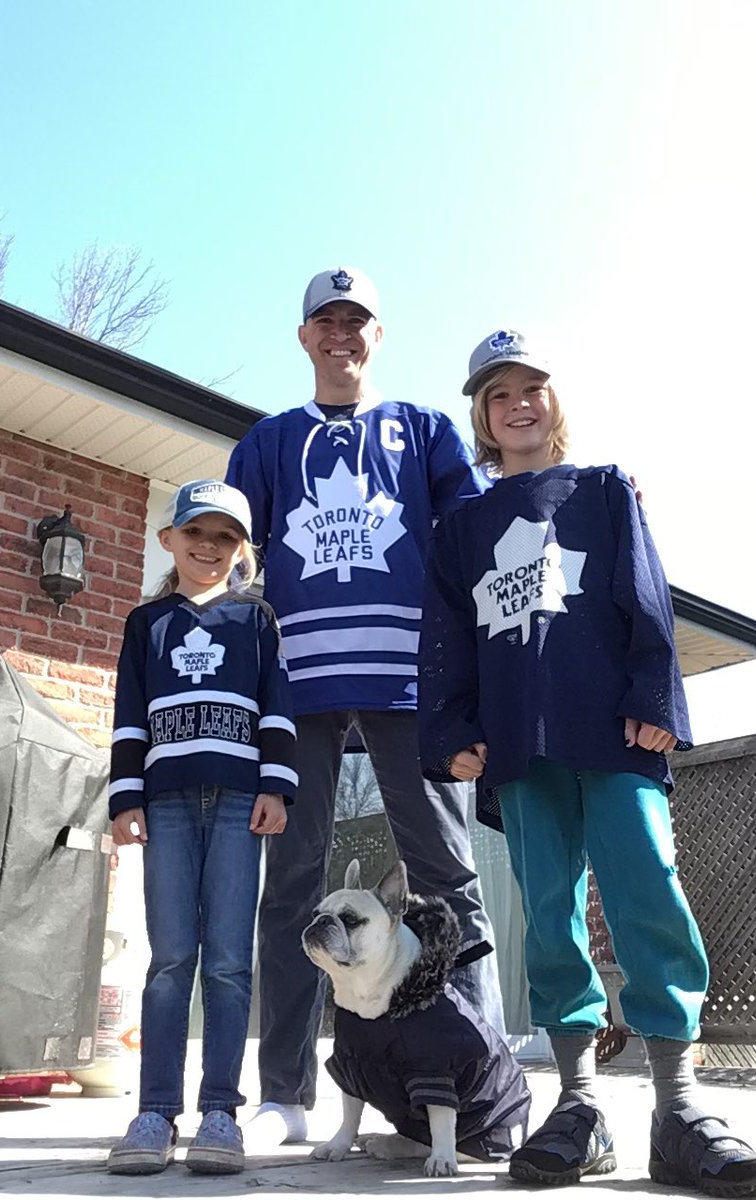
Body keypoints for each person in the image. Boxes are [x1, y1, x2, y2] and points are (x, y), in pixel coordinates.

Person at [417, 329, 756, 1195]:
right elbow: (446, 639)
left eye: (532, 387)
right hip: (518, 741)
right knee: (549, 911)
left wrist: (654, 698)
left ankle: (680, 1109)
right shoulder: (463, 527)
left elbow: (644, 592)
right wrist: (452, 726)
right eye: (497, 392)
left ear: (555, 401)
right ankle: (579, 1107)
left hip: (614, 734)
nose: (517, 403)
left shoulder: (604, 490)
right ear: (480, 414)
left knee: (647, 886)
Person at [225, 267, 506, 1146]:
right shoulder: (268, 443)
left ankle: (481, 1079)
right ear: (304, 337)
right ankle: (284, 1094)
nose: (341, 335)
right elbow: (233, 556)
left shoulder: (421, 430)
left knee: (449, 876)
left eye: (358, 322)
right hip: (300, 688)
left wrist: (565, 505)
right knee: (294, 884)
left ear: (377, 335)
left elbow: (476, 532)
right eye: (326, 322)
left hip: (408, 684)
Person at [105, 479, 296, 1177]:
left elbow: (277, 711)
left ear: (241, 549)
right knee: (170, 959)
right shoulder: (145, 623)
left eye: (224, 537)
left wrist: (277, 785)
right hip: (167, 805)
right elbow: (129, 715)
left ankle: (221, 1110)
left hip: (243, 801)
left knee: (227, 961)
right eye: (196, 534)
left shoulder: (257, 621)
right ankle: (154, 1112)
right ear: (169, 540)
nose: (209, 547)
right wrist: (127, 798)